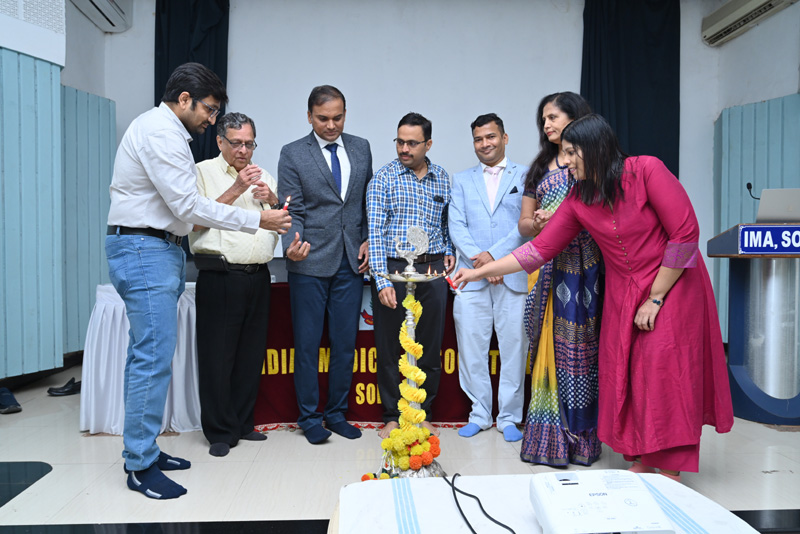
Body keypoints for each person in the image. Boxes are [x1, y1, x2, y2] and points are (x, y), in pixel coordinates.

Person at [452, 114, 734, 481]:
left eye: (572, 153)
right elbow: (538, 250)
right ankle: (641, 454)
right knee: (625, 371)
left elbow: (685, 235)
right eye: (564, 153)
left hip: (672, 284)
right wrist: (478, 272)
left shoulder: (646, 171)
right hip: (624, 290)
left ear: (595, 147)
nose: (566, 161)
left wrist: (656, 298)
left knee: (663, 371)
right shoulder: (578, 198)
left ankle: (670, 464)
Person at [106, 63, 291, 499]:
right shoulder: (160, 132)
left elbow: (182, 215)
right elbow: (189, 208)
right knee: (151, 359)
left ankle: (145, 451)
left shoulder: (167, 132)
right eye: (209, 109)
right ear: (185, 99)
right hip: (144, 248)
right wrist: (257, 219)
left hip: (158, 248)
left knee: (150, 356)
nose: (211, 119)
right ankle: (140, 464)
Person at [278, 85, 372, 445]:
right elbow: (294, 209)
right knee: (307, 345)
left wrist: (368, 239)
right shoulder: (292, 153)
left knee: (345, 343)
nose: (331, 125)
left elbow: (366, 202)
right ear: (309, 116)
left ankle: (336, 413)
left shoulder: (361, 147)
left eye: (337, 118)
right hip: (309, 261)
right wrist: (292, 245)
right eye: (323, 119)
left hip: (351, 261)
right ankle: (309, 417)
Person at [516, 92, 603, 466]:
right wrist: (537, 224)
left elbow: (601, 212)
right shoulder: (539, 168)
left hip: (584, 267)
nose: (547, 124)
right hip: (547, 267)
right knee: (548, 347)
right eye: (544, 119)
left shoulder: (591, 165)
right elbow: (523, 223)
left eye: (553, 117)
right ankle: (547, 437)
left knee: (583, 348)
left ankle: (582, 438)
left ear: (575, 118)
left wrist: (564, 220)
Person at [189, 112, 278, 457]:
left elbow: (277, 221)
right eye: (237, 143)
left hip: (259, 275)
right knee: (217, 357)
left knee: (250, 355)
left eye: (249, 144)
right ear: (220, 141)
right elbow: (194, 222)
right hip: (220, 275)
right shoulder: (201, 172)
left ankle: (242, 423)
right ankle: (219, 431)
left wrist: (272, 200)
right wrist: (237, 188)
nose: (244, 151)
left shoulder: (264, 175)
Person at [367, 112, 455, 439]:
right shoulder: (383, 178)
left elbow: (445, 225)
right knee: (390, 348)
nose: (404, 149)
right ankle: (392, 416)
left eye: (412, 143)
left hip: (432, 271)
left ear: (428, 144)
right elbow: (375, 233)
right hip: (393, 269)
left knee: (428, 347)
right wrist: (381, 280)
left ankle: (422, 413)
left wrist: (448, 250)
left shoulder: (442, 178)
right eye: (400, 142)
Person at [448, 113, 528, 442]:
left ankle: (509, 417)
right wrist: (480, 262)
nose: (485, 144)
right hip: (470, 277)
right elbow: (456, 225)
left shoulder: (526, 175)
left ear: (504, 138)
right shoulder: (461, 180)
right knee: (471, 348)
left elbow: (525, 226)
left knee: (514, 348)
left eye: (491, 137)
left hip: (513, 274)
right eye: (479, 139)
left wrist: (494, 259)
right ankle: (479, 414)